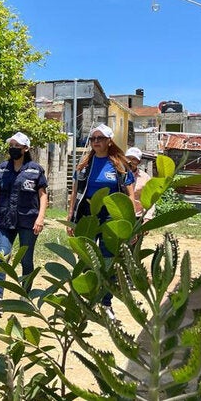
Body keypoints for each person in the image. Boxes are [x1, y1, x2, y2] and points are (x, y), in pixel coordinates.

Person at [67, 124, 135, 321]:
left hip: (111, 216)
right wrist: (71, 216)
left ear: (109, 141)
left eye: (100, 138)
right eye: (93, 139)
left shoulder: (120, 166)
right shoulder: (84, 165)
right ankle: (87, 301)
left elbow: (129, 196)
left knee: (107, 260)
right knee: (86, 257)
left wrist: (131, 222)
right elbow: (75, 192)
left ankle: (106, 303)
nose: (96, 142)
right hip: (87, 215)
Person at [0, 132, 48, 305]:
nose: (13, 149)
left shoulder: (35, 169)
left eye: (16, 146)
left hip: (28, 220)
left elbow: (43, 196)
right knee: (1, 257)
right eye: (11, 146)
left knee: (26, 259)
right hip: (6, 219)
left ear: (25, 149)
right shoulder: (2, 168)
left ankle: (26, 294)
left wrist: (40, 218)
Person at [125, 147, 155, 225]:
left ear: (139, 162)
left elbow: (150, 200)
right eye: (128, 158)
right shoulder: (116, 175)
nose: (130, 161)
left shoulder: (145, 178)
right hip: (118, 215)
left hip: (137, 217)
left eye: (134, 159)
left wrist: (147, 218)